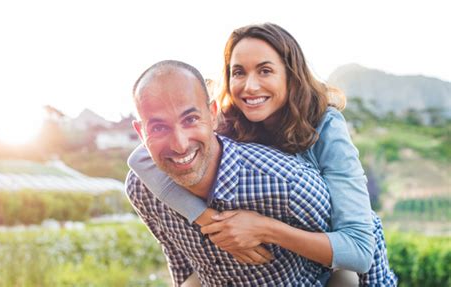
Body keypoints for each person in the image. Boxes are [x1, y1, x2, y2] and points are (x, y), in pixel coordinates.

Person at [129, 23, 397, 286]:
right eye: (239, 73)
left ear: (290, 75)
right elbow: (140, 159)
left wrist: (263, 228)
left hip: (336, 264)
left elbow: (359, 249)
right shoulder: (225, 119)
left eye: (265, 71)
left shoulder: (325, 127)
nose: (250, 87)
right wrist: (207, 221)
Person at [127, 60, 337, 286]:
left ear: (213, 114)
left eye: (191, 119)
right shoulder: (142, 189)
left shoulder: (285, 182)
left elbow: (363, 241)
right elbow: (180, 262)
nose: (179, 145)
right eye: (159, 127)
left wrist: (269, 230)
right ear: (140, 132)